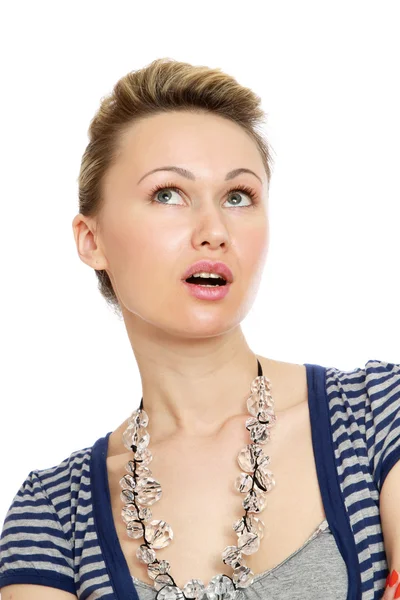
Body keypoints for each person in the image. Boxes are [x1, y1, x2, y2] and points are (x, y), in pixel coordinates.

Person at [0, 58, 399, 600]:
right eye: (168, 194)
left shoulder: (376, 413)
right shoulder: (54, 514)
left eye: (238, 197)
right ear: (91, 240)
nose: (214, 231)